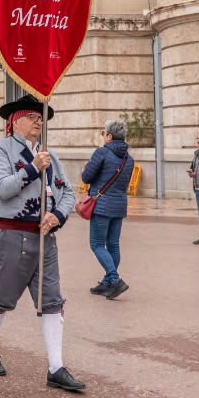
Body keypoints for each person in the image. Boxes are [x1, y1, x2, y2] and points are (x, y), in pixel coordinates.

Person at [0, 93, 84, 393]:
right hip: (12, 234)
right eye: (32, 116)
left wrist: (58, 216)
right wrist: (32, 168)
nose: (39, 121)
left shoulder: (51, 156)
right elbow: (2, 189)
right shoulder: (1, 149)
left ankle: (56, 367)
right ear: (15, 121)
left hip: (45, 236)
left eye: (42, 117)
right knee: (3, 296)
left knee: (52, 300)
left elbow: (67, 193)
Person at [80, 120, 135, 299]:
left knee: (96, 244)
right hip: (119, 205)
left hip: (102, 205)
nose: (103, 136)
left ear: (109, 136)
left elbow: (87, 176)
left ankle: (114, 278)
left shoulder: (102, 152)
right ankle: (107, 283)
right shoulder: (129, 158)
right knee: (113, 244)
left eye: (104, 133)